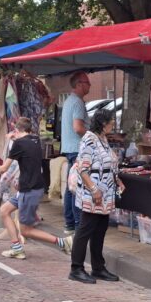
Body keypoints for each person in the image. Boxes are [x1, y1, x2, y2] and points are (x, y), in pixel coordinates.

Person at [0, 117, 72, 260]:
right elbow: (24, 149)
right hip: (33, 187)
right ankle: (16, 248)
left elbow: (4, 167)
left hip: (28, 190)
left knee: (26, 230)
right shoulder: (35, 140)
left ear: (16, 130)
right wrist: (14, 138)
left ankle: (62, 242)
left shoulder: (18, 144)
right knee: (4, 211)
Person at [68, 108, 123, 284]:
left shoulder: (103, 139)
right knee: (85, 230)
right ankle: (76, 268)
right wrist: (93, 189)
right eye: (111, 121)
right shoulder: (89, 139)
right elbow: (83, 168)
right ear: (103, 123)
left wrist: (118, 180)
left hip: (105, 193)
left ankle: (98, 267)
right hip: (94, 193)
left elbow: (107, 163)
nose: (113, 124)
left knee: (100, 230)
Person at [60, 70, 90, 233]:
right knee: (77, 187)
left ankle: (70, 223)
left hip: (69, 148)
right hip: (78, 149)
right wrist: (94, 136)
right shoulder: (77, 102)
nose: (89, 86)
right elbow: (78, 128)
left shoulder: (68, 101)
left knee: (70, 187)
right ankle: (78, 224)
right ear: (79, 84)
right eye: (87, 83)